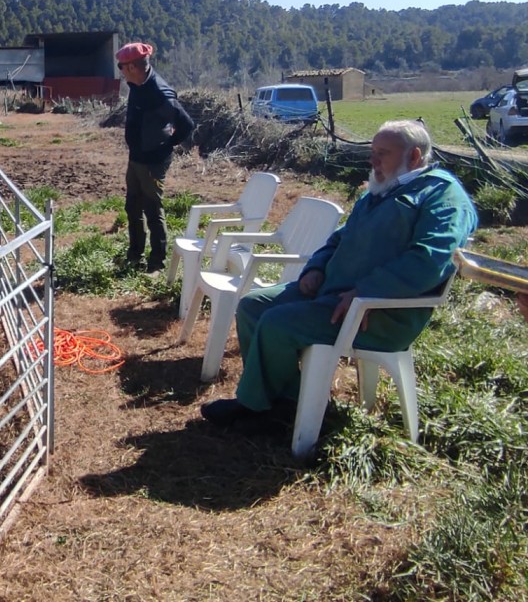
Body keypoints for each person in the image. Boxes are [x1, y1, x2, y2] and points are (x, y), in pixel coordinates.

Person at [201, 119, 478, 428]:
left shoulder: (442, 196)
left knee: (278, 323)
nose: (373, 161)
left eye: (382, 153)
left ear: (413, 157)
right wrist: (316, 268)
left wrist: (367, 291)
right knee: (254, 305)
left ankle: (257, 408)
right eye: (372, 152)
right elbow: (338, 239)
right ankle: (286, 401)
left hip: (378, 312)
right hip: (333, 295)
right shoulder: (381, 189)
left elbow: (431, 259)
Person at [117, 41, 195, 273]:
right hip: (136, 158)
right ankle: (135, 255)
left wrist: (166, 146)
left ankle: (157, 262)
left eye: (121, 67)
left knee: (153, 210)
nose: (120, 71)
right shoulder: (137, 85)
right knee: (132, 207)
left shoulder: (159, 94)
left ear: (132, 67)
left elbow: (187, 125)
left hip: (153, 162)